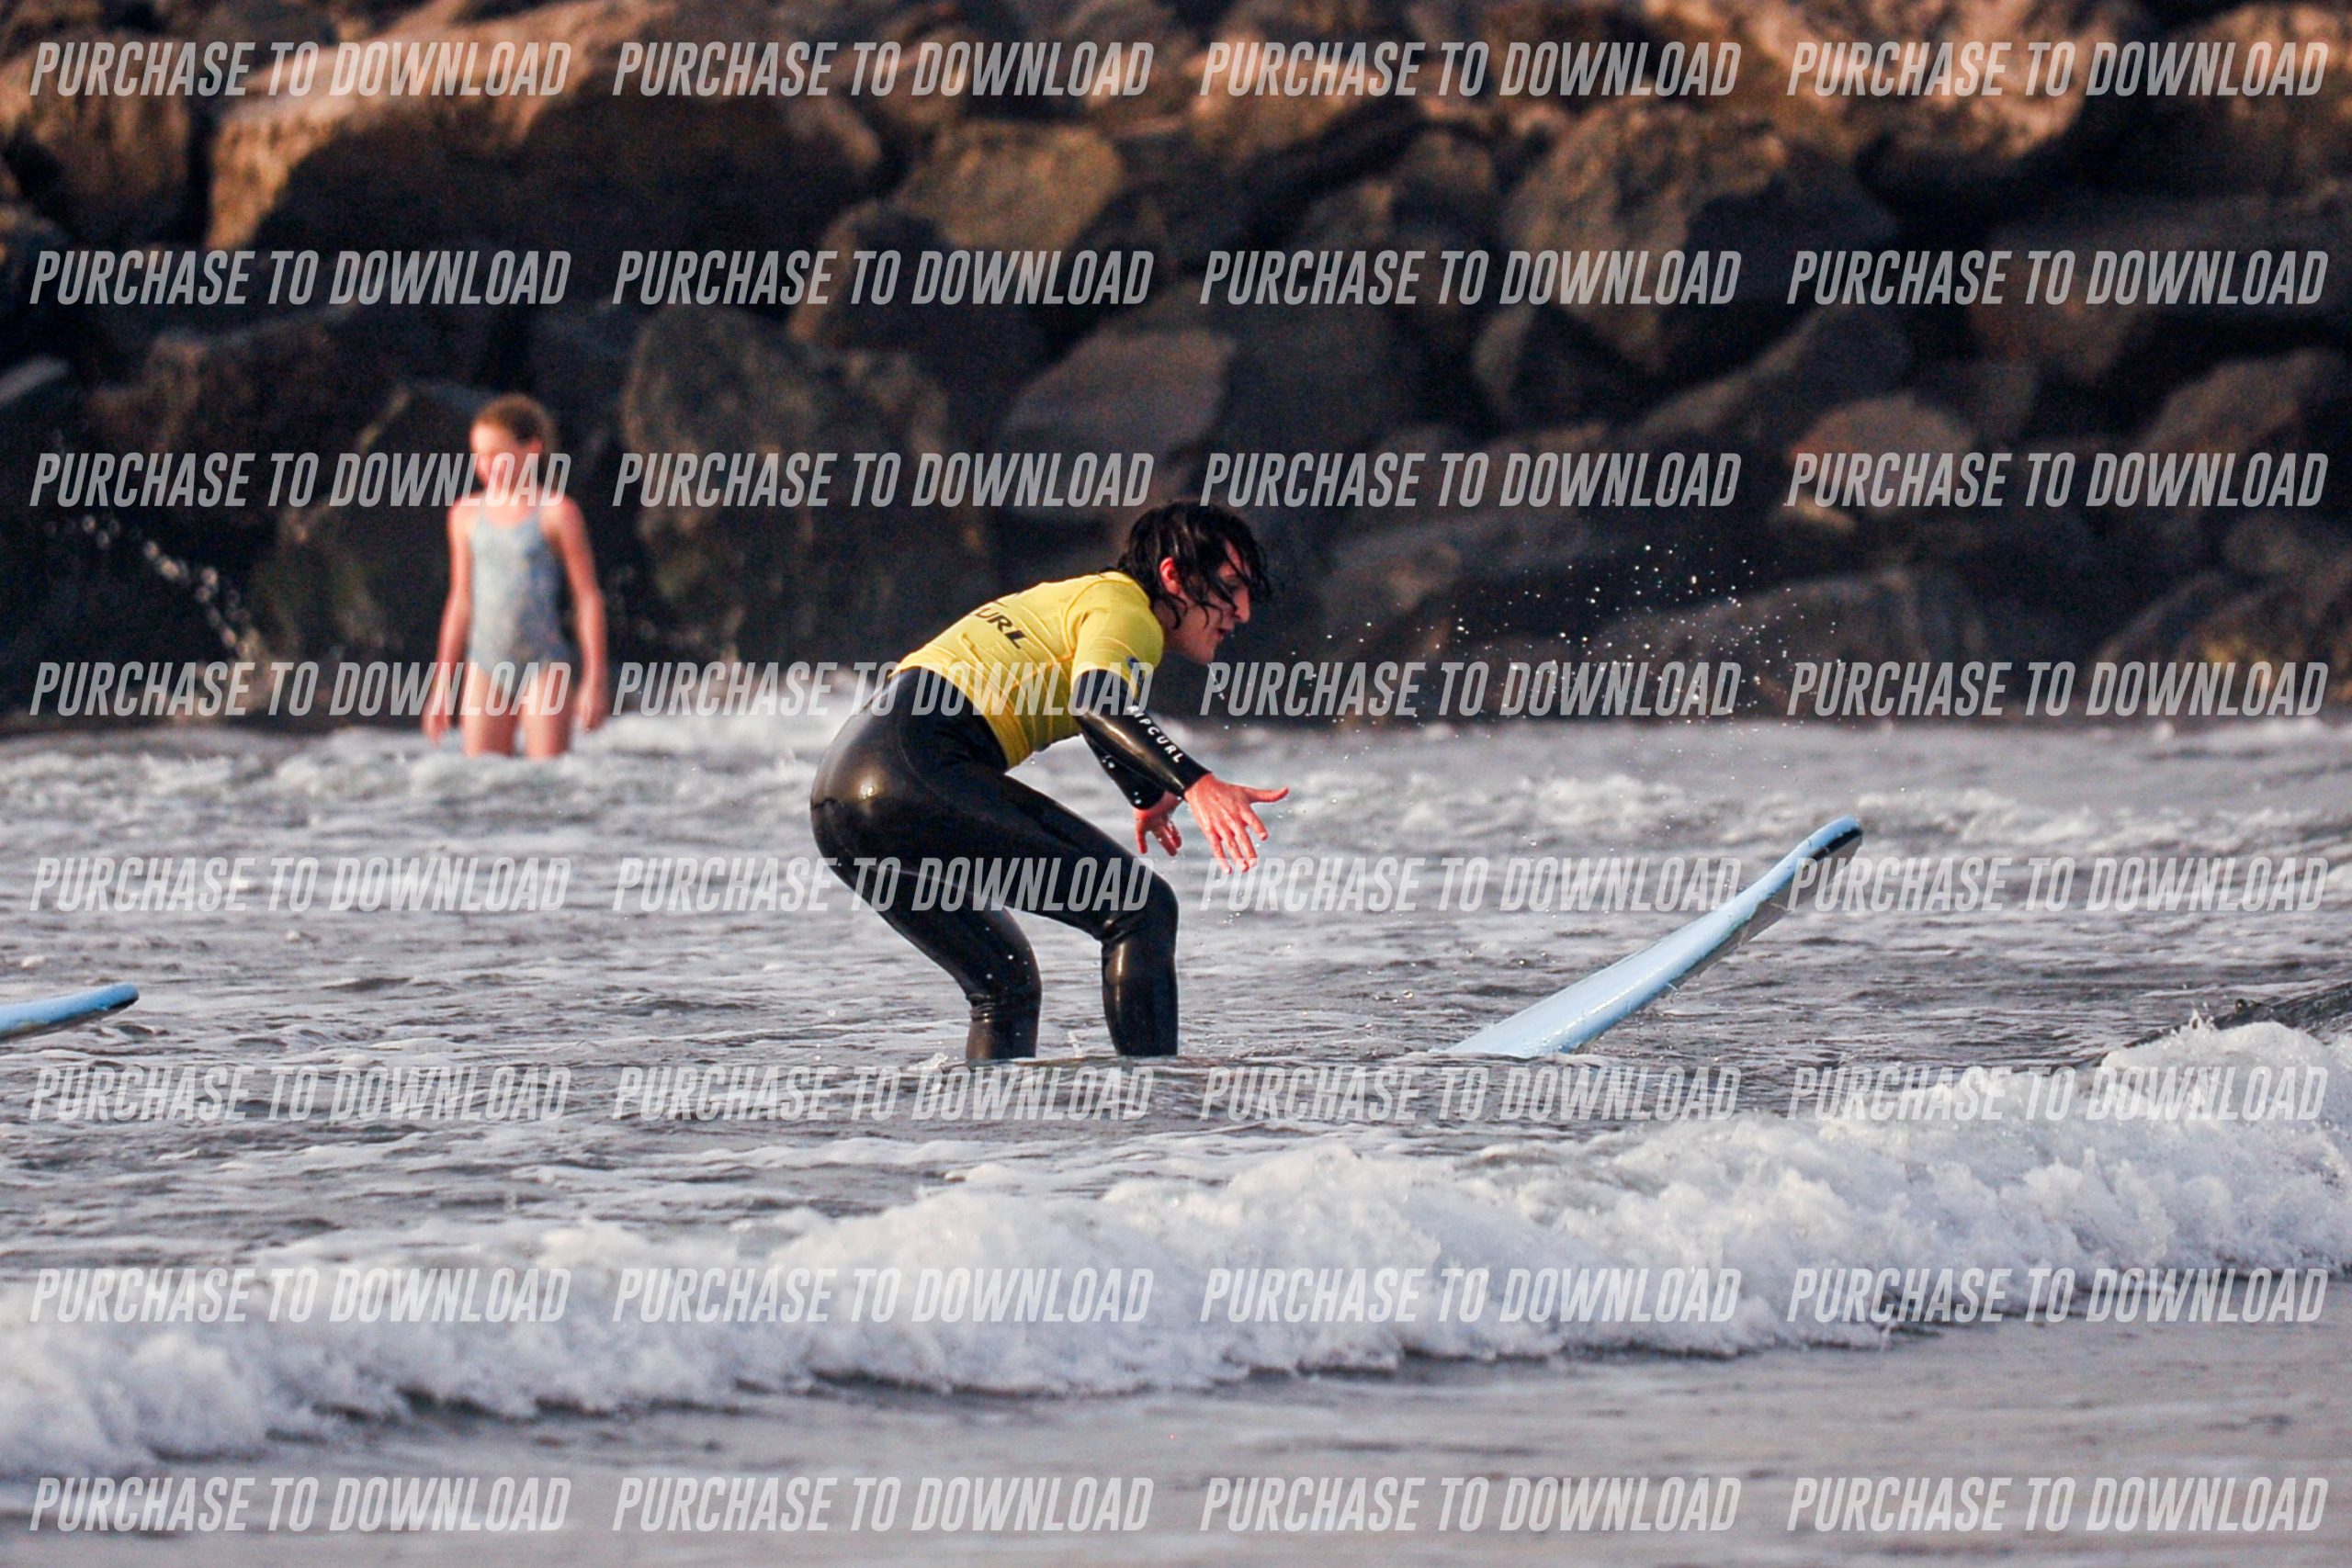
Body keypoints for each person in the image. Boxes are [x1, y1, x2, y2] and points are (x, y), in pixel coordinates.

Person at [809, 502, 1287, 1060]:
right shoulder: (1129, 615)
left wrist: (1145, 793)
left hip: (841, 800)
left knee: (1005, 989)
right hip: (912, 773)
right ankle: (1157, 1102)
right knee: (1140, 908)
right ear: (1173, 576)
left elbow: (1094, 712)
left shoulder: (1084, 599)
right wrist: (1196, 783)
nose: (1242, 612)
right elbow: (1098, 705)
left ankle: (991, 1116)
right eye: (1230, 587)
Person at [423, 394, 608, 758]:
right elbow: (460, 601)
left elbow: (587, 598)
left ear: (532, 450)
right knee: (484, 781)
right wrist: (442, 686)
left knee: (546, 780)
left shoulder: (557, 512)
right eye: (479, 455)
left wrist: (595, 681)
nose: (485, 465)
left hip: (544, 665)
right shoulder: (465, 514)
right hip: (485, 665)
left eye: (496, 455)